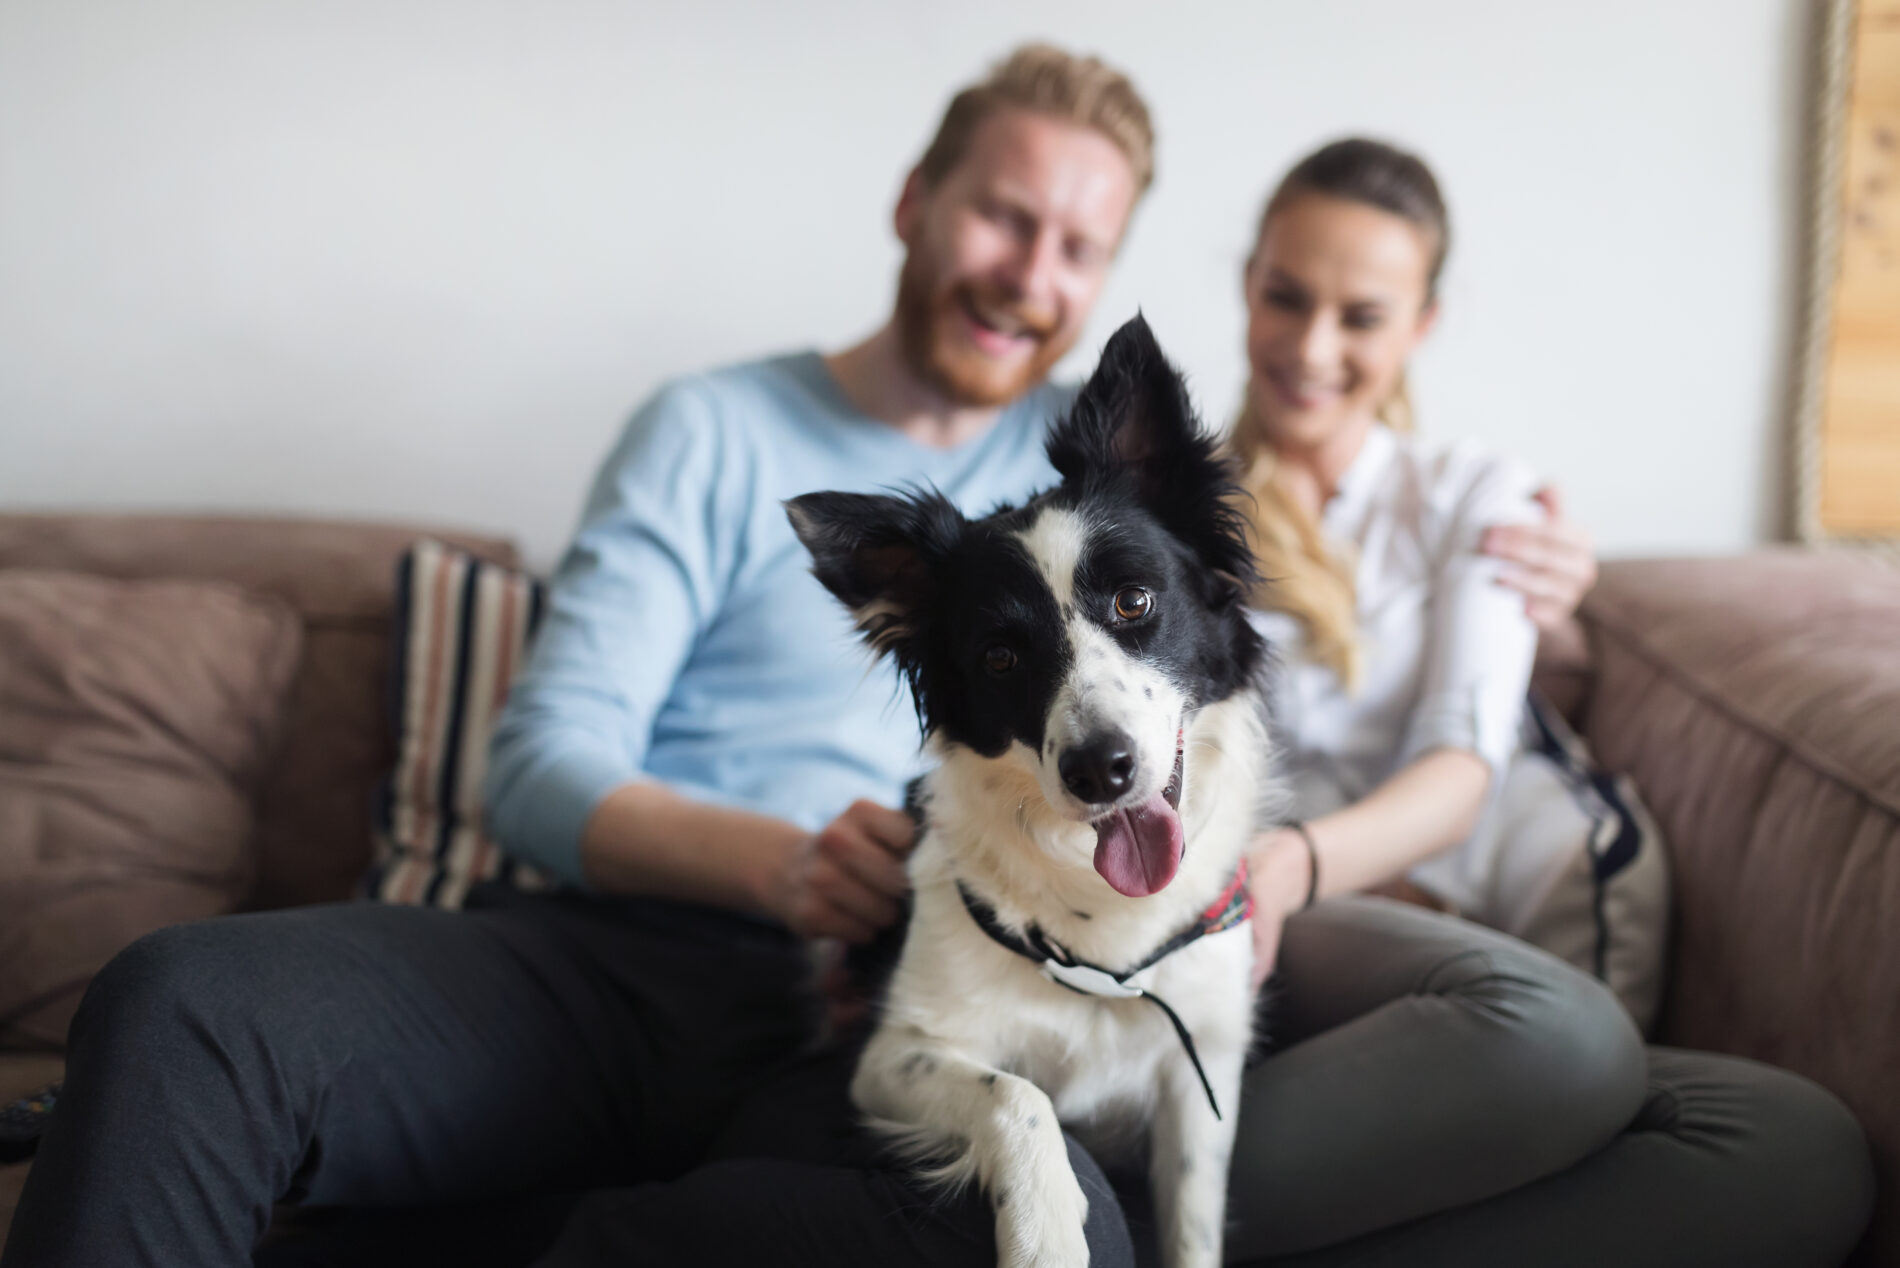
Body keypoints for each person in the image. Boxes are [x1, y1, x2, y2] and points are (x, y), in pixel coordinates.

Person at [0, 46, 1638, 1268]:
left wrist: (1559, 604)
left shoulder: (1094, 493)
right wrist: (786, 866)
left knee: (1048, 1230)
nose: (1031, 269)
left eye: (1080, 247)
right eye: (1005, 211)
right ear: (918, 201)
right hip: (626, 958)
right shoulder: (716, 426)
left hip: (913, 1020)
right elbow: (541, 758)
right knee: (182, 1000)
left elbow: (1298, 570)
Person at [1213, 138, 1874, 1266]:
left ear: (1422, 323)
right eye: (1286, 296)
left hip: (1371, 902)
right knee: (1555, 1039)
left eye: (1360, 315)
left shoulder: (1476, 494)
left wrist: (1304, 859)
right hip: (1274, 926)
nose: (1311, 347)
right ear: (1247, 284)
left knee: (1800, 1144)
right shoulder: (1170, 507)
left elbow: (1460, 771)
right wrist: (1277, 873)